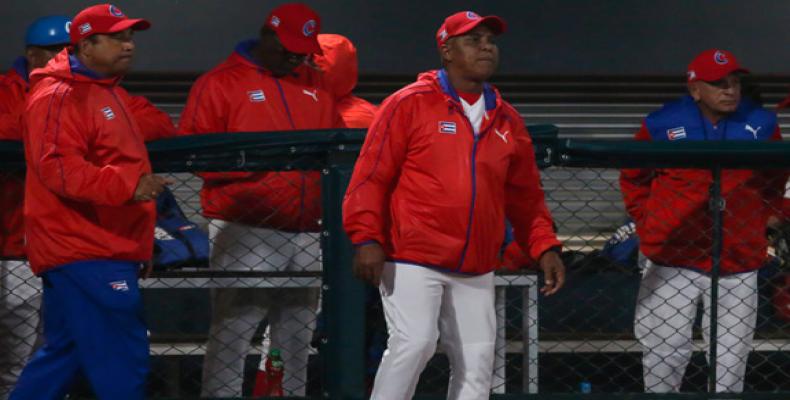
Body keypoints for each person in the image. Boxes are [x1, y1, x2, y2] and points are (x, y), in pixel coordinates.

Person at [343, 11, 566, 399]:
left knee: (479, 361)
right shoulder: (408, 103)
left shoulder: (506, 118)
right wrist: (366, 237)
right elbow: (370, 177)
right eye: (472, 40)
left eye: (490, 41)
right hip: (412, 252)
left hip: (476, 261)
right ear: (446, 50)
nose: (486, 47)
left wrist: (543, 244)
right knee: (415, 343)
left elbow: (525, 195)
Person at [178, 3, 343, 397]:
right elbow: (194, 153)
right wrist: (260, 166)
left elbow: (335, 151)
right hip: (246, 228)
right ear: (267, 35)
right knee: (235, 331)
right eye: (288, 47)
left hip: (307, 229)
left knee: (299, 333)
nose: (295, 57)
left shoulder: (316, 87)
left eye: (302, 50)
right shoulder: (220, 82)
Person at [9, 4, 173, 400]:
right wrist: (129, 188)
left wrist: (136, 238)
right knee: (123, 356)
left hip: (103, 244)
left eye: (129, 36)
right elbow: (59, 169)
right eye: (116, 37)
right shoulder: (59, 94)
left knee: (64, 354)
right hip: (83, 246)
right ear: (85, 45)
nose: (128, 45)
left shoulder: (105, 90)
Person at [620, 49, 785, 393]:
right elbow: (634, 176)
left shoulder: (761, 124)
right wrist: (648, 221)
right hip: (672, 257)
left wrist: (762, 219)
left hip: (737, 258)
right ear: (695, 89)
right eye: (718, 84)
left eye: (734, 82)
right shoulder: (661, 123)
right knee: (664, 355)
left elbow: (774, 178)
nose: (730, 91)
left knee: (730, 360)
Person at [0, 16, 71, 399]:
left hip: (66, 248)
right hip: (13, 247)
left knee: (53, 350)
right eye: (57, 51)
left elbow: (159, 126)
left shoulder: (89, 91)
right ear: (32, 55)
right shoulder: (5, 90)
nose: (66, 58)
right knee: (17, 357)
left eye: (72, 50)